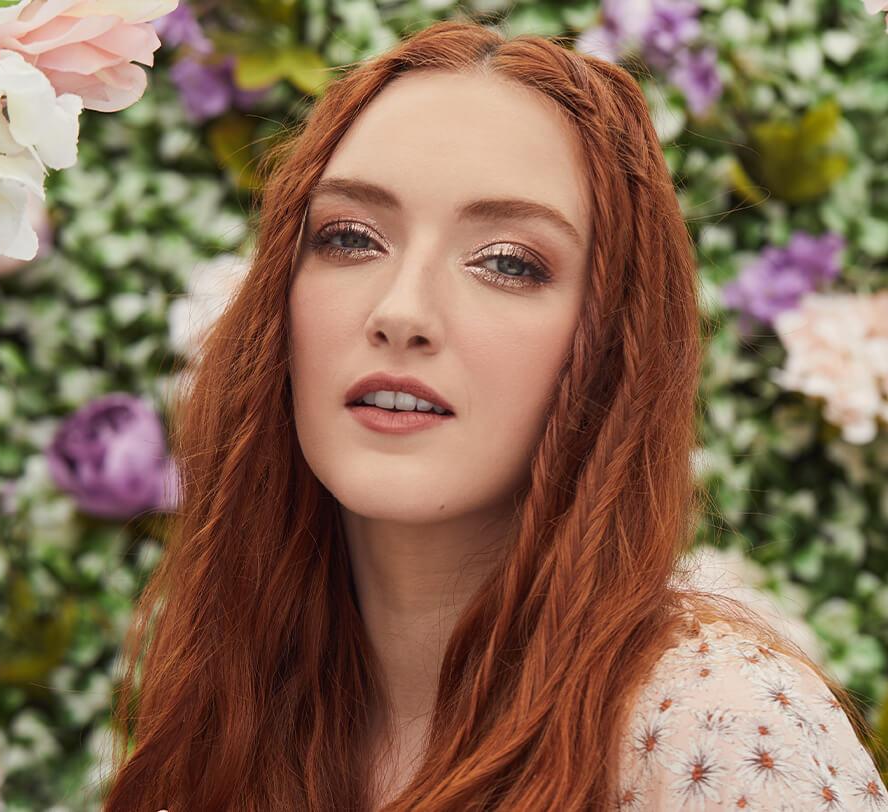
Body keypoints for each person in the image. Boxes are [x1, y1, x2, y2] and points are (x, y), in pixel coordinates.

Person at [102, 19, 887, 811]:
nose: (401, 311)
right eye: (351, 238)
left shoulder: (718, 726)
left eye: (508, 262)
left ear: (609, 343)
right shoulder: (237, 705)